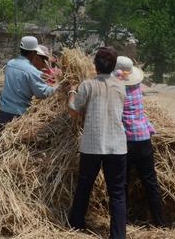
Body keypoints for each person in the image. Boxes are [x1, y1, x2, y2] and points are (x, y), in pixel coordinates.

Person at [68, 47, 127, 239]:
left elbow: (74, 109)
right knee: (117, 193)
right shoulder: (121, 86)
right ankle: (118, 235)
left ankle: (76, 224)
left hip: (92, 145)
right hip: (117, 146)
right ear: (113, 66)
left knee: (84, 185)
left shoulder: (87, 85)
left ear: (95, 65)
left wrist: (71, 92)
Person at [115, 56, 165, 227]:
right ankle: (160, 221)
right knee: (150, 181)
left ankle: (123, 220)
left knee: (122, 183)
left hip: (126, 141)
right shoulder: (136, 87)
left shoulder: (115, 88)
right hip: (144, 138)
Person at [0, 36, 56, 128]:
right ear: (34, 53)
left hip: (3, 114)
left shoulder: (10, 63)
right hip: (17, 117)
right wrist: (59, 88)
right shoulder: (31, 71)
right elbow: (42, 93)